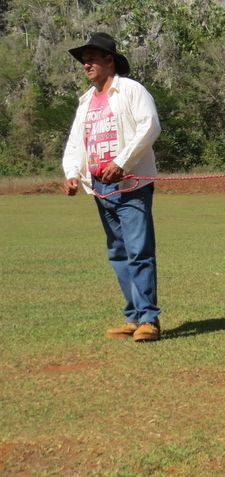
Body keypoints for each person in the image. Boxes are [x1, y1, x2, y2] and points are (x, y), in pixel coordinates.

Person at [62, 32, 163, 341]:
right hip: (100, 189)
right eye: (83, 60)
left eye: (92, 58)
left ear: (109, 60)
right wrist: (71, 172)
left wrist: (122, 162)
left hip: (130, 185)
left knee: (138, 251)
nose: (86, 64)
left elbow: (150, 126)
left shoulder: (131, 90)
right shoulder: (86, 102)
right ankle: (133, 317)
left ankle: (149, 320)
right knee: (118, 253)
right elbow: (78, 143)